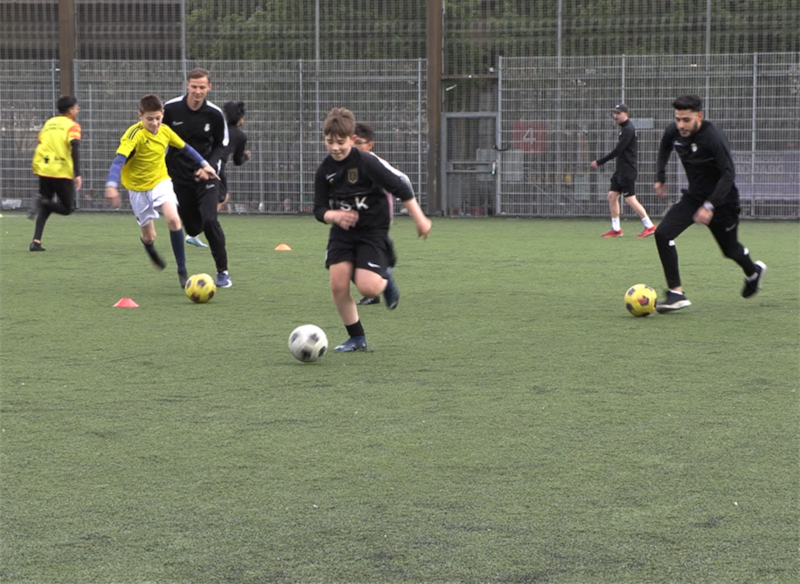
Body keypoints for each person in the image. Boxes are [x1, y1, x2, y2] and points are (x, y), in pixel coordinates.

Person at [314, 108, 431, 352]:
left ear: (352, 139)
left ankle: (384, 276)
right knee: (338, 283)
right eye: (329, 142)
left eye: (341, 142)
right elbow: (319, 209)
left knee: (368, 288)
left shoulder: (366, 162)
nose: (335, 147)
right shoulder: (325, 171)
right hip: (342, 233)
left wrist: (419, 218)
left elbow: (401, 187)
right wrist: (334, 215)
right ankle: (356, 338)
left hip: (372, 231)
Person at [653, 94, 766, 312]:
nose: (681, 125)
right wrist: (660, 177)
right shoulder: (674, 131)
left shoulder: (713, 136)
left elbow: (728, 174)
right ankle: (676, 293)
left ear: (699, 116)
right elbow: (664, 146)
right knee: (663, 233)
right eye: (678, 119)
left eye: (686, 120)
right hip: (694, 197)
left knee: (730, 250)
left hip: (723, 202)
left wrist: (710, 205)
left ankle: (753, 272)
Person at [104, 94, 218, 288]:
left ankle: (182, 272)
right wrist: (111, 184)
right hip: (137, 189)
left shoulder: (165, 131)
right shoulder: (134, 134)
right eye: (150, 119)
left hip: (160, 182)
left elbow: (186, 148)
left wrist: (204, 164)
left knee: (173, 219)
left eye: (158, 118)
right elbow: (119, 160)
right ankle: (150, 250)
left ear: (162, 114)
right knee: (149, 236)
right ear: (140, 116)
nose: (155, 123)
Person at [163, 68, 233, 288]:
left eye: (202, 87)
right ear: (187, 86)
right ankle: (195, 229)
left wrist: (209, 167)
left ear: (209, 87)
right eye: (194, 87)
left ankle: (223, 272)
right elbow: (157, 138)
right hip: (179, 178)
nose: (198, 91)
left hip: (208, 177)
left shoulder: (214, 114)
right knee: (193, 227)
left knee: (210, 219)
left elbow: (222, 146)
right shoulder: (171, 109)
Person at [351, 122, 414, 306]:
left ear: (370, 145)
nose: (356, 147)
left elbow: (402, 179)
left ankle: (385, 282)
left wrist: (409, 203)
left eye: (360, 143)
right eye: (353, 143)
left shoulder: (376, 163)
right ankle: (373, 289)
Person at [591, 104, 656, 238]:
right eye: (614, 113)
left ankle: (649, 226)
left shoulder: (628, 129)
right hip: (620, 170)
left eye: (618, 113)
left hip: (627, 170)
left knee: (630, 199)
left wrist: (599, 162)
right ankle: (616, 229)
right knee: (612, 197)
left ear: (625, 114)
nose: (615, 116)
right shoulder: (624, 128)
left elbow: (618, 150)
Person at [28, 95, 82, 251]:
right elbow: (75, 148)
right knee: (67, 208)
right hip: (60, 170)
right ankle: (42, 202)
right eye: (76, 107)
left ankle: (35, 242)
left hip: (44, 168)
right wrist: (77, 174)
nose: (77, 110)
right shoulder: (72, 126)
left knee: (47, 204)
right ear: (71, 110)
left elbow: (40, 143)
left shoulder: (49, 123)